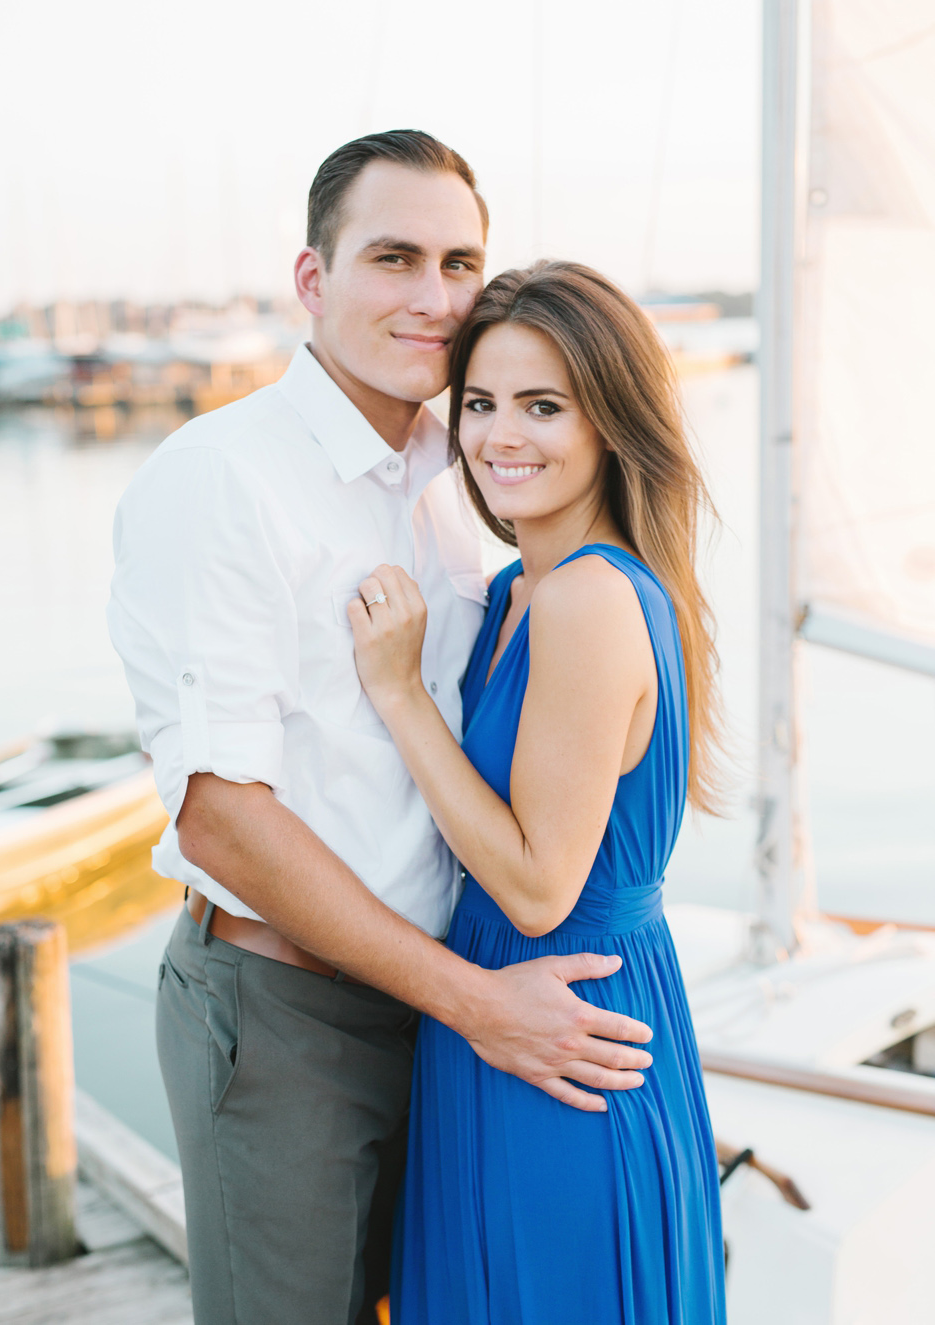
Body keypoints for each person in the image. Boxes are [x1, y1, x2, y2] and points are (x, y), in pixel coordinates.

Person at [106, 130, 655, 1325]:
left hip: (441, 1009)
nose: (433, 297)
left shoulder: (458, 474)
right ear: (313, 279)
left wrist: (461, 1001)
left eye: (459, 262)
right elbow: (219, 815)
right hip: (285, 1012)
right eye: (392, 257)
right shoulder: (223, 479)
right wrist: (472, 999)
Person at [351, 260, 725, 1322]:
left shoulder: (587, 601)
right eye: (477, 403)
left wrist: (398, 694)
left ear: (609, 421)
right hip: (504, 1016)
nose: (497, 435)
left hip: (558, 1027)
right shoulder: (521, 588)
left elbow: (533, 886)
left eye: (541, 405)